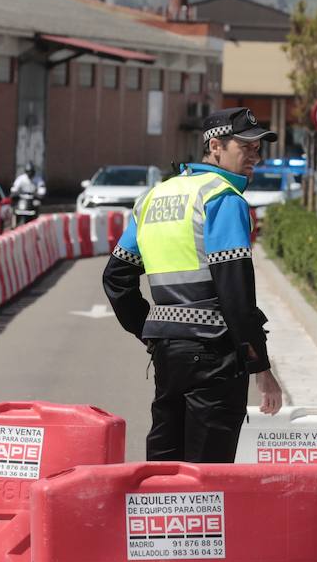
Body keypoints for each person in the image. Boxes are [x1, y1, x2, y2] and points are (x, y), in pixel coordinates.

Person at [102, 107, 283, 463]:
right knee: (207, 476)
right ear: (215, 146)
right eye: (245, 146)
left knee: (166, 471)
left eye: (258, 148)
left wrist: (154, 332)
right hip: (215, 358)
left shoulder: (154, 198)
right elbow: (236, 296)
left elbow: (115, 278)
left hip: (169, 356)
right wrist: (260, 365)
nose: (255, 156)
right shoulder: (223, 199)